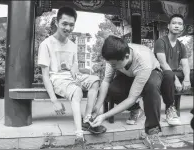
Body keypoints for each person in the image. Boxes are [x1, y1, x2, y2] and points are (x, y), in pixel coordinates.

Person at [37, 6, 106, 149]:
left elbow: (74, 66)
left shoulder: (73, 45)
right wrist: (54, 100)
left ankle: (87, 119)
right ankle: (79, 136)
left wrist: (75, 68)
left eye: (71, 25)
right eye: (64, 23)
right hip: (57, 79)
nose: (68, 28)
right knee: (77, 91)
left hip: (73, 77)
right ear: (57, 22)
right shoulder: (46, 44)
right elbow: (45, 75)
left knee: (95, 81)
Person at [91, 35, 167, 149]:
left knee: (151, 87)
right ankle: (136, 109)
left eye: (113, 65)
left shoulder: (143, 62)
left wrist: (104, 116)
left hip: (151, 72)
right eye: (110, 63)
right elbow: (106, 81)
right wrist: (97, 107)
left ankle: (152, 132)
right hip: (128, 73)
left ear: (126, 56)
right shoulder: (114, 55)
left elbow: (131, 98)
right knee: (113, 89)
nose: (112, 66)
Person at [154, 14, 193, 126]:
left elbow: (185, 65)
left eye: (179, 24)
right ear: (168, 26)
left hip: (176, 72)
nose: (177, 26)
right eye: (174, 23)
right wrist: (176, 80)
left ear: (182, 28)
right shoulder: (160, 42)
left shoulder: (181, 45)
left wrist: (186, 79)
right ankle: (170, 110)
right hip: (163, 74)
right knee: (169, 75)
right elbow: (163, 64)